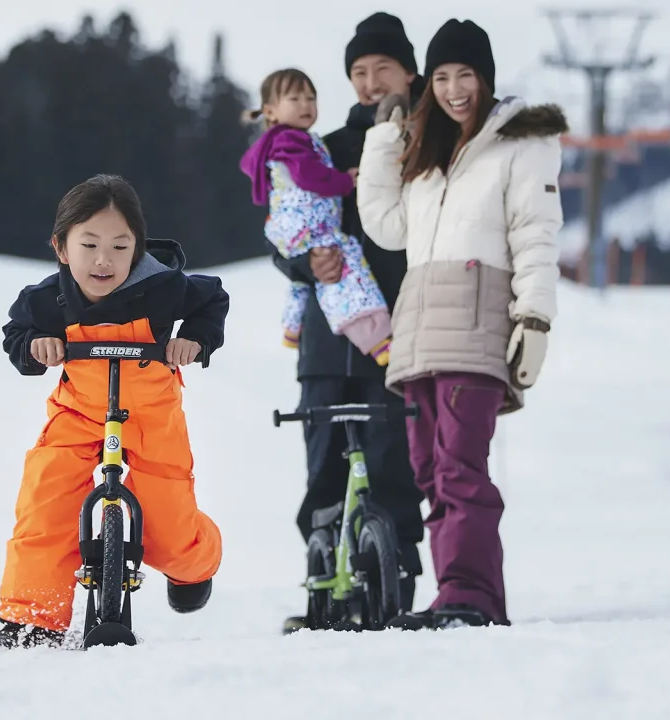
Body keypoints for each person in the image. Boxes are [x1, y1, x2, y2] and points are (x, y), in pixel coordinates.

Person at [356, 18, 567, 629]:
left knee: (458, 468)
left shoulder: (519, 144)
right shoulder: (427, 153)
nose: (453, 89)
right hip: (419, 329)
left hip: (476, 327)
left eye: (465, 75)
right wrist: (386, 139)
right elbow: (387, 226)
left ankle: (469, 595)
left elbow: (536, 235)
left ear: (486, 78)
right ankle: (463, 595)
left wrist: (535, 317)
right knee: (428, 470)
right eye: (442, 77)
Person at [0, 174, 229, 649]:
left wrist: (194, 339)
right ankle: (32, 616)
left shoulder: (164, 286)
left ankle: (196, 564)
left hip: (151, 412)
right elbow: (16, 335)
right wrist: (35, 346)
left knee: (168, 529)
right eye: (90, 245)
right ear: (62, 248)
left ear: (138, 249)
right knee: (47, 502)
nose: (104, 260)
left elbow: (211, 300)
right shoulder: (47, 298)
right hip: (78, 413)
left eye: (121, 247)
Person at [270, 12, 428, 633]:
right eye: (358, 72)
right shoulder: (322, 148)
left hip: (402, 326)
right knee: (325, 465)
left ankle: (399, 579)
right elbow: (283, 228)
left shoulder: (426, 143)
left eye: (380, 69)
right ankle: (323, 578)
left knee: (394, 461)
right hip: (326, 339)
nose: (368, 82)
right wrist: (305, 260)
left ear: (408, 72)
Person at [239, 67, 393, 366]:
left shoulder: (281, 141)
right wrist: (345, 181)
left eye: (311, 98)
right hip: (308, 224)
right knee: (342, 268)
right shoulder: (290, 140)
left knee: (304, 279)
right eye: (295, 98)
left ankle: (292, 327)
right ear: (271, 111)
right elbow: (309, 177)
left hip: (289, 227)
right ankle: (374, 338)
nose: (306, 105)